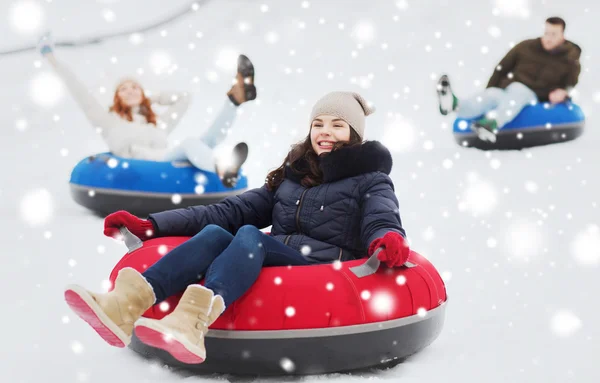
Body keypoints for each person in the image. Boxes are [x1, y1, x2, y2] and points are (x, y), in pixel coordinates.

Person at [64, 91, 411, 364]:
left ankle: (192, 322)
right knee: (218, 233)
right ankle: (125, 305)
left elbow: (382, 216)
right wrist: (151, 225)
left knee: (249, 236)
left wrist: (388, 238)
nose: (325, 132)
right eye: (318, 123)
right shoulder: (293, 176)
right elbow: (232, 209)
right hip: (282, 255)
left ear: (353, 133)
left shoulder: (370, 179)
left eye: (337, 124)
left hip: (324, 268)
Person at [38, 33, 255, 187]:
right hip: (153, 167)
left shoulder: (155, 122)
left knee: (206, 141)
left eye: (135, 87)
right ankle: (223, 168)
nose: (130, 90)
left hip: (171, 161)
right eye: (124, 89)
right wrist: (50, 57)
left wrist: (151, 98)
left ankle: (235, 99)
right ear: (117, 97)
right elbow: (79, 91)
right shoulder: (108, 121)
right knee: (191, 143)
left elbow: (184, 99)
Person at [436, 17, 582, 142]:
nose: (548, 38)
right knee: (490, 96)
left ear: (562, 36)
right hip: (508, 89)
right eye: (546, 33)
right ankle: (454, 104)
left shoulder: (569, 59)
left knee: (519, 93)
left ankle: (492, 123)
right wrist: (492, 88)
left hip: (535, 95)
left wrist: (563, 92)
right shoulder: (526, 47)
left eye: (553, 34)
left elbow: (571, 83)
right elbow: (501, 68)